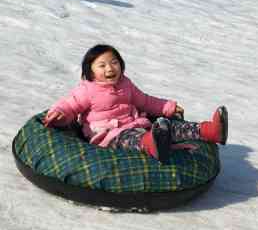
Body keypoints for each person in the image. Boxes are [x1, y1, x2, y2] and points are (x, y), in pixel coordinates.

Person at [42, 44, 228, 163]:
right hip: (108, 136)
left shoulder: (126, 84)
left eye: (114, 62)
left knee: (169, 127)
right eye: (102, 65)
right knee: (132, 140)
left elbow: (145, 101)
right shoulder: (87, 89)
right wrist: (58, 114)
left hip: (135, 124)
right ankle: (153, 145)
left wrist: (168, 107)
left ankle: (210, 130)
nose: (110, 68)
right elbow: (70, 105)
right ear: (90, 72)